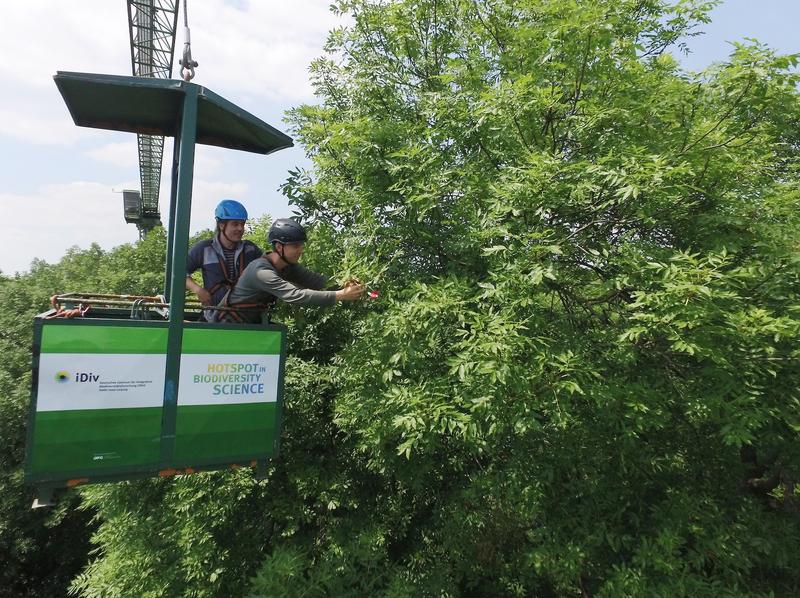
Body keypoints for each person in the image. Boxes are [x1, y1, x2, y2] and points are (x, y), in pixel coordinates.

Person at [220, 218, 364, 323]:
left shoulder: (289, 266)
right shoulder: (261, 272)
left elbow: (319, 282)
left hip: (248, 328)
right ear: (278, 247)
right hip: (222, 326)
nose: (300, 250)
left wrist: (347, 283)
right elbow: (295, 295)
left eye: (301, 245)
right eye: (295, 246)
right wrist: (341, 295)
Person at [186, 199, 262, 321]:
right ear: (221, 225)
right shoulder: (204, 248)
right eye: (235, 224)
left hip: (247, 318)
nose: (240, 228)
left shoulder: (250, 250)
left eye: (242, 224)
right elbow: (180, 273)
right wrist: (198, 290)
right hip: (215, 317)